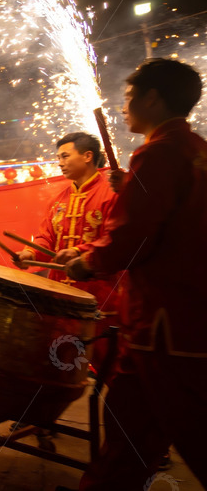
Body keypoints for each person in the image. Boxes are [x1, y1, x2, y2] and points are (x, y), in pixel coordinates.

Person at [63, 58, 207, 490]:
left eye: (128, 98)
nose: (123, 108)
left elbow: (134, 237)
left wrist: (87, 261)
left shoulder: (159, 152)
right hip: (174, 319)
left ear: (152, 98)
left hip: (165, 325)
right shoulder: (196, 148)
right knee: (128, 422)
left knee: (191, 434)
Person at [14, 132, 122, 370]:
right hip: (60, 293)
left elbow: (114, 241)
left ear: (87, 156)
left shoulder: (111, 194)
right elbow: (46, 238)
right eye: (58, 157)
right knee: (59, 362)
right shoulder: (59, 200)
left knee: (109, 365)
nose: (60, 162)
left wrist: (77, 251)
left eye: (65, 156)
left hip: (100, 295)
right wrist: (30, 255)